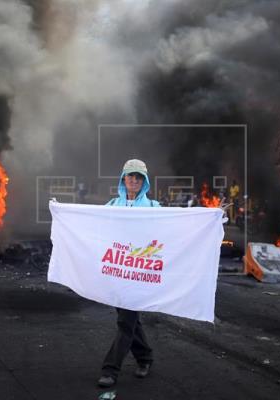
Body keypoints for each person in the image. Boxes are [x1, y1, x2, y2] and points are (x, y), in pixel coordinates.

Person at [98, 159, 159, 388]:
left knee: (126, 322)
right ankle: (145, 358)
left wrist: (211, 216)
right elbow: (90, 223)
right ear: (123, 178)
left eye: (138, 177)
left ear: (144, 181)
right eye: (130, 176)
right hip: (116, 272)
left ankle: (110, 370)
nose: (134, 180)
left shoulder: (154, 208)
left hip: (139, 275)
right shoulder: (112, 205)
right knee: (131, 321)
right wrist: (62, 211)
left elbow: (179, 223)